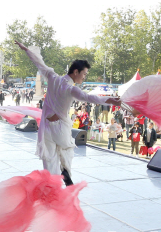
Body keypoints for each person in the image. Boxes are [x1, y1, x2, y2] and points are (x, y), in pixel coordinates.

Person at [16, 41, 119, 185]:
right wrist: (111, 101)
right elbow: (89, 97)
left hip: (46, 126)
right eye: (84, 74)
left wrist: (26, 49)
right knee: (66, 151)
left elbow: (39, 63)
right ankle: (65, 176)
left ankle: (53, 187)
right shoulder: (71, 89)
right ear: (75, 72)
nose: (84, 77)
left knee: (50, 161)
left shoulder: (52, 77)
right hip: (60, 128)